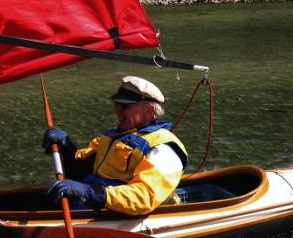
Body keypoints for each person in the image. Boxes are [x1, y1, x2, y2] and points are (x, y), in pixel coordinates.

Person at [42, 76, 188, 215]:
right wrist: (66, 147)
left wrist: (90, 193)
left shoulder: (163, 148)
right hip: (89, 210)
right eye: (116, 104)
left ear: (149, 111)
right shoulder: (113, 136)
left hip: (119, 218)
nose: (116, 110)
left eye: (124, 106)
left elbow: (145, 196)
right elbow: (79, 171)